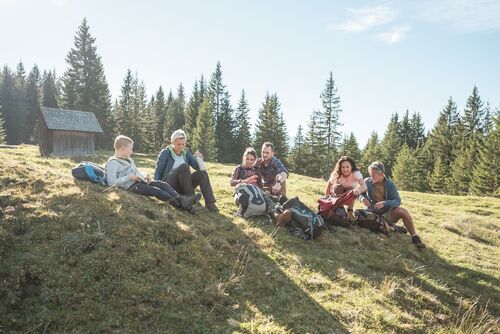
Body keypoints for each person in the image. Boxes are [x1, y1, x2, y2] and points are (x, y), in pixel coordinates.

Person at [105, 135, 200, 214]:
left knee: (162, 184)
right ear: (122, 148)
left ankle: (182, 199)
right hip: (131, 187)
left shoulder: (129, 160)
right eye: (130, 149)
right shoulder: (112, 163)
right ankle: (181, 206)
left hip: (139, 182)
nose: (132, 151)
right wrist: (129, 177)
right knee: (157, 191)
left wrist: (144, 175)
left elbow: (136, 171)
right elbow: (111, 182)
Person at [360, 161, 426, 249]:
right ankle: (393, 228)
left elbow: (397, 201)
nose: (371, 177)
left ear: (381, 174)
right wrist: (363, 199)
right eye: (370, 174)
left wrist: (385, 203)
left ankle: (414, 237)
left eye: (373, 175)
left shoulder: (390, 184)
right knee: (360, 216)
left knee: (403, 212)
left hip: (387, 213)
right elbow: (360, 193)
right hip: (372, 212)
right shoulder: (367, 182)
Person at [154, 129, 218, 212]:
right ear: (172, 142)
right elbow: (158, 171)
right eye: (178, 144)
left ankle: (210, 204)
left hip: (183, 185)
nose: (181, 146)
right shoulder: (165, 153)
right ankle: (190, 197)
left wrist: (200, 158)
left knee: (202, 173)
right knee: (184, 167)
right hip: (169, 185)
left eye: (183, 144)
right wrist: (157, 187)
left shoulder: (186, 153)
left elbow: (198, 167)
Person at [231, 147, 291, 226]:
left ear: (254, 161)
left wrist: (264, 191)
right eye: (247, 158)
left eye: (252, 160)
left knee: (267, 199)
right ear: (243, 158)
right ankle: (280, 206)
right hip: (243, 190)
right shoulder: (238, 169)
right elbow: (232, 182)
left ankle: (278, 216)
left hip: (257, 190)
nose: (249, 161)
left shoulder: (256, 169)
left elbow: (260, 184)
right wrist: (245, 181)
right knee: (256, 198)